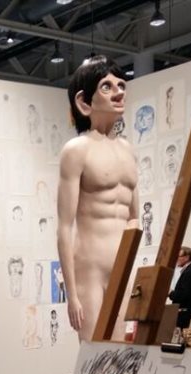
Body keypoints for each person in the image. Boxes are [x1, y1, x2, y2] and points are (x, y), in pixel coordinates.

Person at [57, 55, 139, 342]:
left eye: (121, 85)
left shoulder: (128, 151)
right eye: (107, 86)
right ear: (83, 102)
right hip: (89, 265)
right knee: (93, 354)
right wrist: (71, 294)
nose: (118, 92)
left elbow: (134, 219)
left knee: (122, 353)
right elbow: (64, 226)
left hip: (123, 266)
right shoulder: (77, 150)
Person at [168, 246, 191, 330]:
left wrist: (170, 293)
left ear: (187, 257)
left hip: (187, 316)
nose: (176, 259)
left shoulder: (190, 272)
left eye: (178, 256)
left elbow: (184, 295)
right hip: (190, 315)